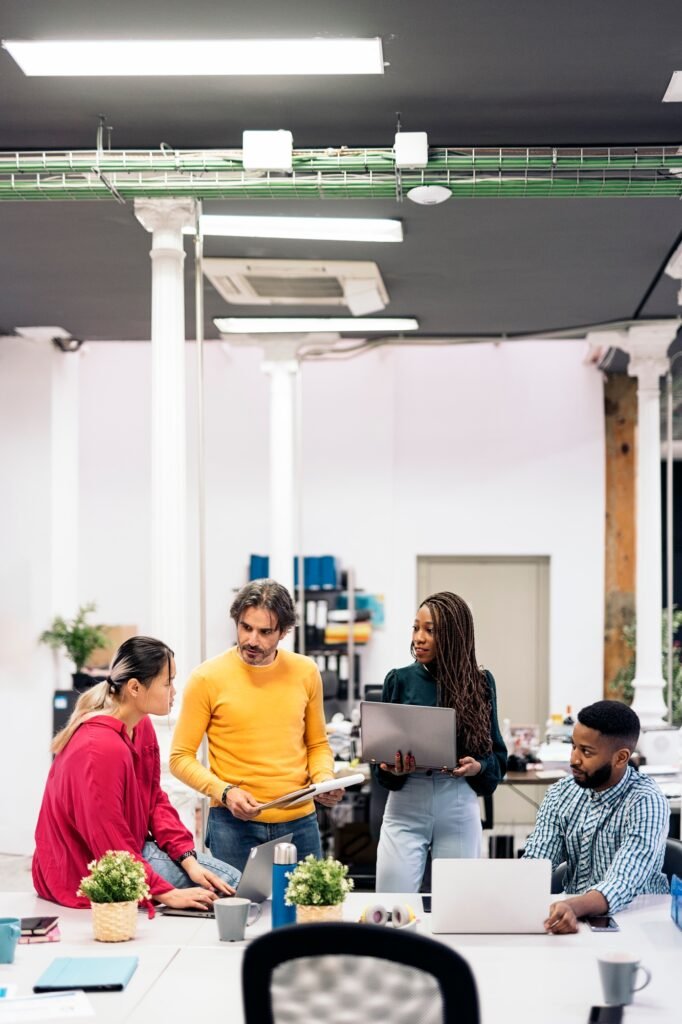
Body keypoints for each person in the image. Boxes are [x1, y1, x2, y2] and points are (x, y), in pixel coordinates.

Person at [33, 636, 240, 910]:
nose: (174, 691)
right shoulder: (100, 749)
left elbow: (154, 799)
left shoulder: (141, 727)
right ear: (134, 687)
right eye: (167, 683)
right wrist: (165, 893)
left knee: (223, 881)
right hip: (84, 868)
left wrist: (188, 859)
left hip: (127, 850)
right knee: (229, 883)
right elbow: (108, 842)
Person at [170, 579, 343, 873]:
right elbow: (179, 758)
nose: (252, 639)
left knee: (309, 914)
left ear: (284, 632)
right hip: (233, 826)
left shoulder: (306, 672)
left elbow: (317, 744)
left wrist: (324, 779)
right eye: (245, 627)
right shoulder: (206, 678)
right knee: (240, 915)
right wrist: (224, 791)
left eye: (265, 632)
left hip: (300, 822)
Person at [375, 591, 507, 892]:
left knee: (459, 906)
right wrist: (392, 769)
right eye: (416, 628)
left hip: (457, 801)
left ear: (453, 636)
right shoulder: (399, 680)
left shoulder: (480, 682)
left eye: (430, 630)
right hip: (406, 802)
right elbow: (380, 766)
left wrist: (478, 767)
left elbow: (497, 757)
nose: (419, 638)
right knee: (391, 905)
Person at [523, 700, 670, 934]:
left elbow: (623, 881)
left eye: (586, 752)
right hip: (571, 917)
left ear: (621, 758)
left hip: (640, 921)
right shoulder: (561, 792)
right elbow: (536, 863)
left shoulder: (646, 800)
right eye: (573, 746)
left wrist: (573, 905)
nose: (573, 759)